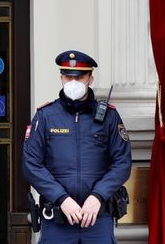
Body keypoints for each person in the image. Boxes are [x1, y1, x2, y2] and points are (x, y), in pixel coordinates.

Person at [22, 50, 131, 243]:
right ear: (61, 78)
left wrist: (97, 196)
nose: (73, 82)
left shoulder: (109, 117)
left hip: (97, 219)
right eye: (68, 76)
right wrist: (61, 198)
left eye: (79, 77)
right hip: (58, 220)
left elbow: (122, 163)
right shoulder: (45, 116)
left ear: (90, 79)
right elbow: (31, 164)